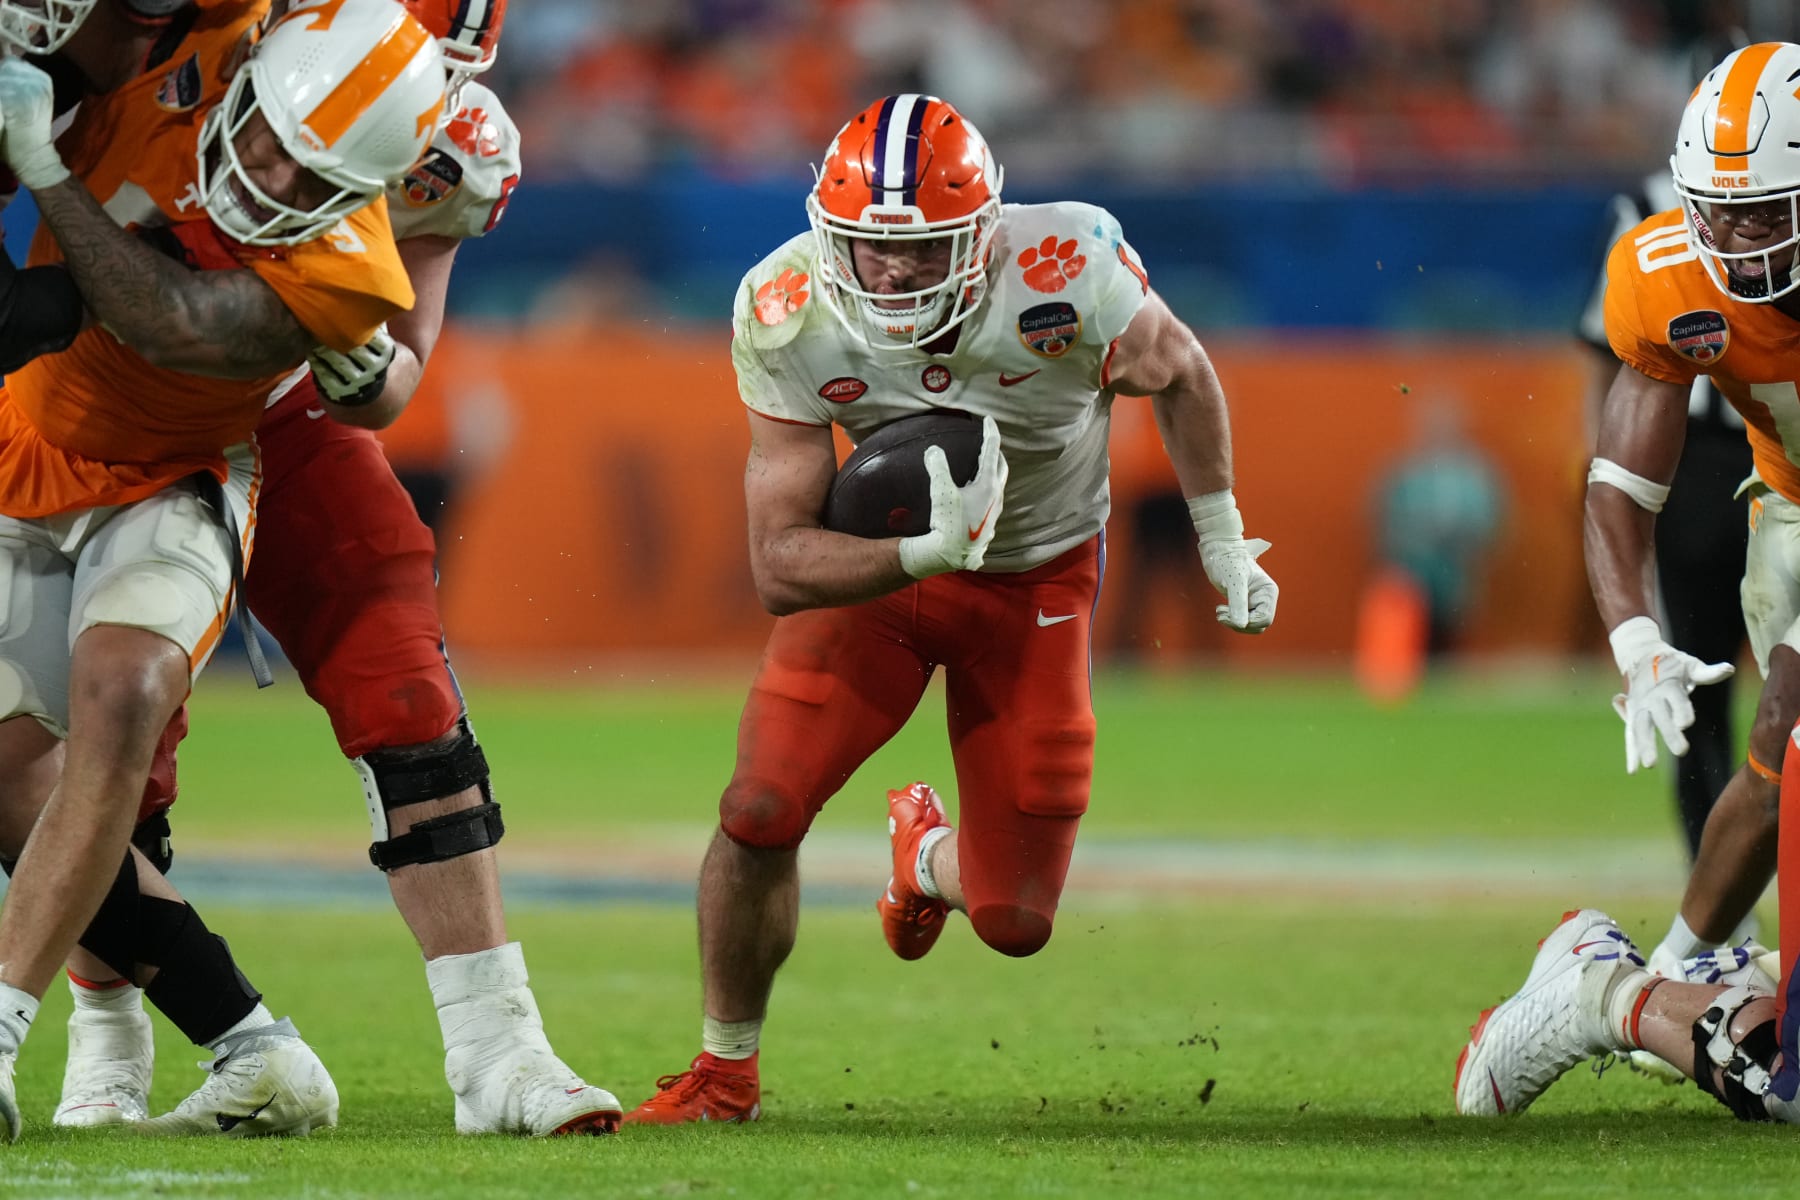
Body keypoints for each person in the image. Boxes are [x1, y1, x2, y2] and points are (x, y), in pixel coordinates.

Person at [27, 0, 622, 1139]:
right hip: (115, 399)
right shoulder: (214, 39)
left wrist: (370, 373)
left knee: (398, 670)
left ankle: (498, 1047)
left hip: (287, 408)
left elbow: (403, 368)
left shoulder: (450, 144)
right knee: (120, 729)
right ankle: (110, 1043)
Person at [626, 93, 1278, 1124]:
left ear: (980, 234)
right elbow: (779, 565)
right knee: (758, 809)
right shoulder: (786, 304)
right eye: (865, 248)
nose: (888, 273)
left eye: (922, 251)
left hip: (1036, 581)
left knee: (1015, 919)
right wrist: (921, 551)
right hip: (878, 582)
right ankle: (723, 1071)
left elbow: (1186, 372)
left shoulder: (1067, 270)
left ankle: (923, 859)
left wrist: (1221, 533)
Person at [0, 0, 443, 1141]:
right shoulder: (184, 43)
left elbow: (179, 322)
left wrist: (45, 168)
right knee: (6, 784)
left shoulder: (351, 270)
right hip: (23, 444)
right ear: (246, 76)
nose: (269, 179)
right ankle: (254, 1047)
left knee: (128, 690)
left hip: (175, 473)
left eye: (310, 179)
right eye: (263, 137)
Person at [1456, 41, 1800, 1124]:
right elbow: (1619, 488)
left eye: (1763, 213)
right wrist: (1635, 643)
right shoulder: (1664, 275)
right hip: (1792, 511)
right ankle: (1620, 993)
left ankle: (1661, 975)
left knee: (1777, 758)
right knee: (1780, 748)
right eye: (1720, 210)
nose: (1733, 240)